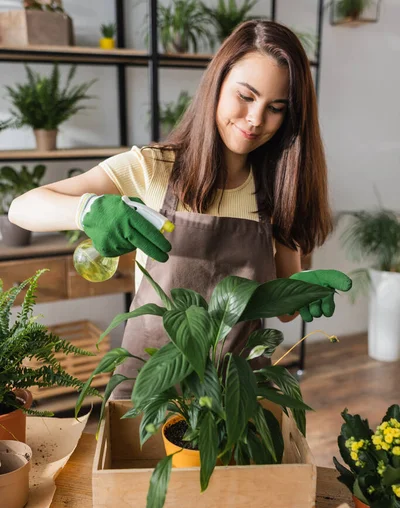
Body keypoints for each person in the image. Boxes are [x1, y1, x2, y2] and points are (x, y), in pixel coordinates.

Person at [9, 20, 351, 398]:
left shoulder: (279, 189)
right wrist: (89, 210)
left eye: (276, 107)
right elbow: (23, 207)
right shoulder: (153, 168)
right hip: (153, 380)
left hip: (234, 392)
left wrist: (301, 290)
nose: (255, 119)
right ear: (216, 85)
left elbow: (282, 306)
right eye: (246, 96)